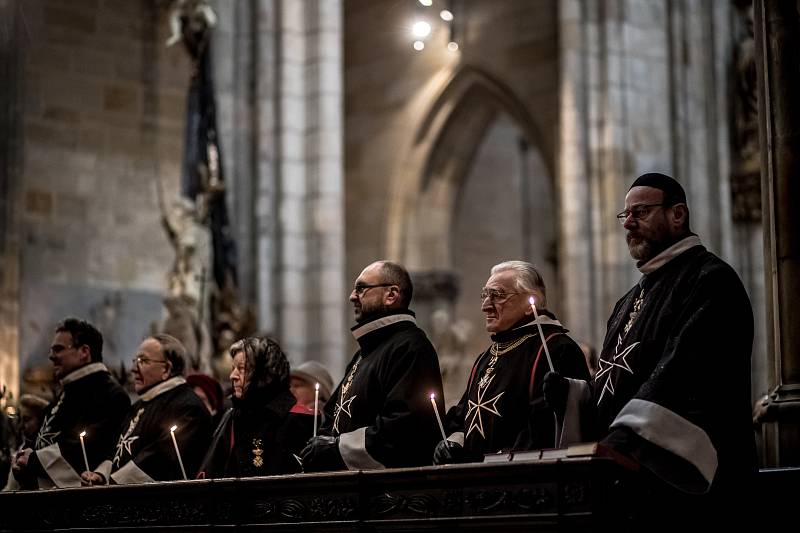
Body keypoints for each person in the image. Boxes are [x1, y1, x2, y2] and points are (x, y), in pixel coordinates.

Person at [544, 172, 756, 520]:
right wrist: (573, 396)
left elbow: (684, 371)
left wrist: (624, 439)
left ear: (677, 215)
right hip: (628, 480)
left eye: (640, 212)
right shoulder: (628, 300)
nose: (628, 223)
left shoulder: (709, 279)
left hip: (688, 484)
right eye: (624, 215)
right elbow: (616, 382)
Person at [433, 261, 589, 465]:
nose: (485, 306)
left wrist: (498, 462)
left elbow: (548, 426)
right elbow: (463, 418)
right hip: (474, 479)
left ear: (529, 303)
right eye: (485, 295)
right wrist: (453, 443)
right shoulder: (486, 356)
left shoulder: (556, 349)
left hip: (523, 479)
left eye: (497, 295)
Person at [300, 260, 444, 471]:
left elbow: (406, 427)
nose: (352, 296)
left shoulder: (411, 347)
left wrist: (335, 447)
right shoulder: (364, 353)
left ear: (391, 295)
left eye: (361, 288)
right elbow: (332, 415)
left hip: (390, 494)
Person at [8, 318, 130, 490]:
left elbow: (92, 448)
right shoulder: (68, 390)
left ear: (84, 352)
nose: (51, 356)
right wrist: (21, 459)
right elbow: (42, 439)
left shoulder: (110, 394)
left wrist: (34, 459)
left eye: (58, 349)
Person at [81, 334, 212, 485]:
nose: (134, 369)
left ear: (166, 369)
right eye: (135, 361)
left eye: (143, 361)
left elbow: (161, 460)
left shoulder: (187, 408)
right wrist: (101, 475)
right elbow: (117, 451)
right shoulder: (139, 405)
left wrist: (110, 485)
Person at [197, 337, 313, 478]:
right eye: (233, 368)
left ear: (266, 374)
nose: (233, 376)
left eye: (241, 369)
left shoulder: (299, 420)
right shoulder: (233, 417)